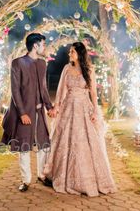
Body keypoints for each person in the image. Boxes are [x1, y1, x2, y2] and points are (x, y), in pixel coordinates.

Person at [43, 42, 117, 197]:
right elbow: (61, 90)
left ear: (79, 53)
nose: (70, 54)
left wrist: (95, 111)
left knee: (86, 141)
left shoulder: (89, 70)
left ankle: (87, 179)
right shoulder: (66, 68)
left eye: (72, 52)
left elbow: (94, 94)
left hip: (84, 108)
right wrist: (56, 107)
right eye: (70, 51)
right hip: (69, 107)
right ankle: (62, 176)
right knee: (65, 140)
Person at [1, 33, 56, 192]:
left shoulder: (42, 63)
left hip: (40, 113)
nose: (44, 47)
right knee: (24, 147)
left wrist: (49, 107)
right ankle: (25, 181)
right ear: (35, 45)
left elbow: (44, 89)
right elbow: (15, 90)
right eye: (43, 44)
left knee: (44, 145)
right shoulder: (18, 63)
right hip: (24, 113)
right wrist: (22, 113)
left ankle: (42, 175)